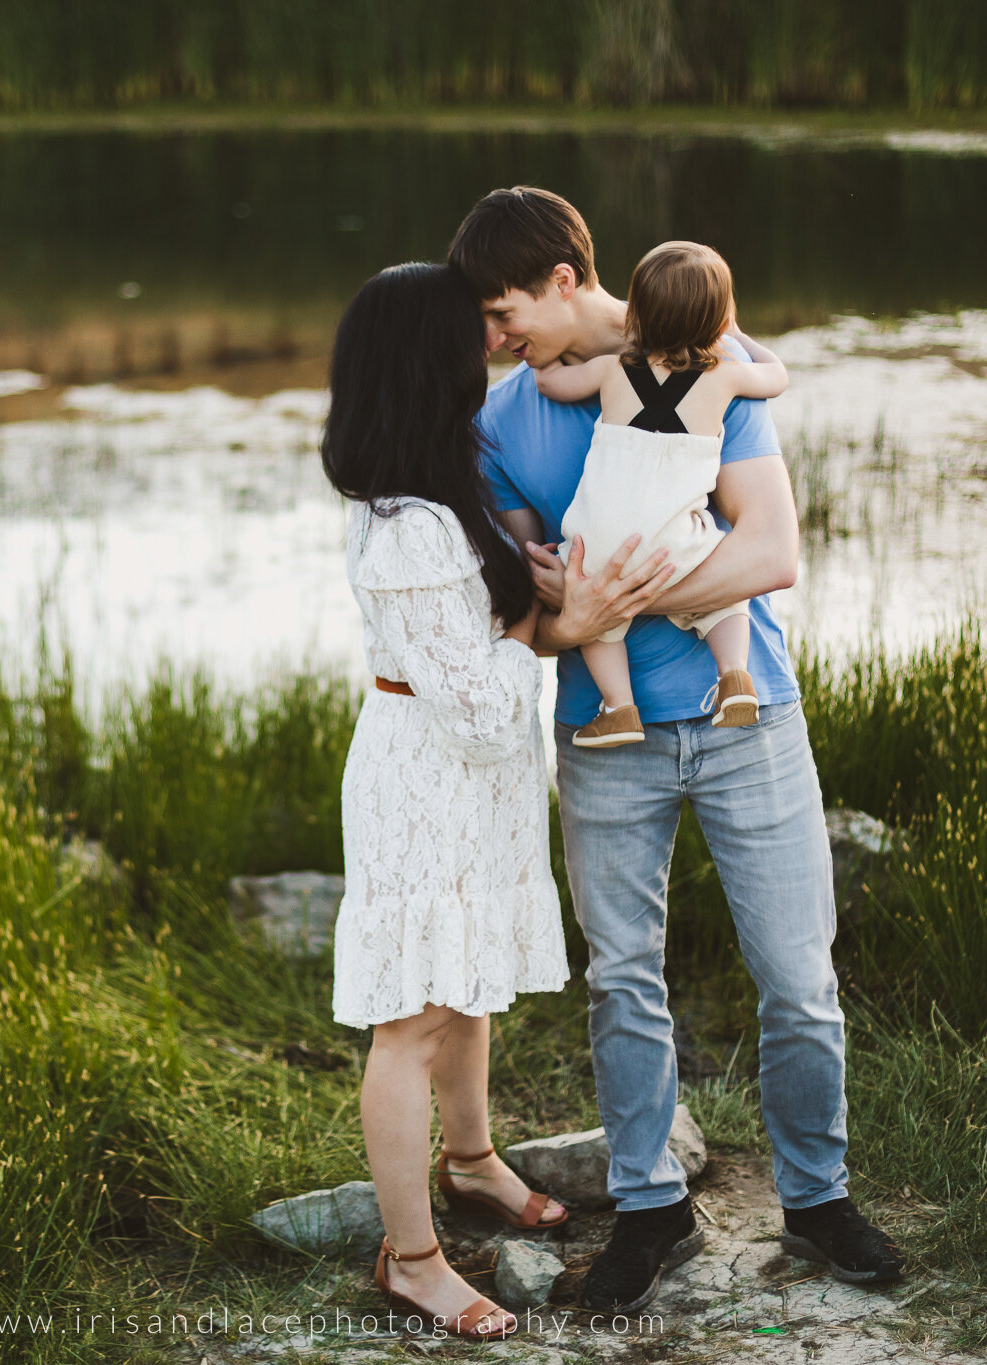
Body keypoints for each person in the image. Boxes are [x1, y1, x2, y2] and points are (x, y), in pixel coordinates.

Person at [448, 187, 906, 1310]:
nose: (496, 339)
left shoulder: (708, 355)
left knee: (797, 978)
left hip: (746, 717)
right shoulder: (500, 425)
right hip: (603, 738)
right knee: (622, 983)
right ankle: (650, 1210)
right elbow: (536, 609)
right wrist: (569, 606)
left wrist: (620, 599)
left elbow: (769, 553)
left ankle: (816, 1198)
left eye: (505, 314)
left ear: (565, 280)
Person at [321, 261, 574, 1341]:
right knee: (412, 1018)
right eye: (468, 333)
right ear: (429, 360)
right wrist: (535, 623)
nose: (485, 347)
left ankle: (469, 1162)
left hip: (468, 778)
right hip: (427, 774)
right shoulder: (407, 525)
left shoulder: (440, 483)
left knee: (466, 980)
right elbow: (474, 707)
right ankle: (412, 1260)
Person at [533, 240, 789, 747]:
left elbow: (552, 385)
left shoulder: (611, 369)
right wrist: (739, 337)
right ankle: (734, 675)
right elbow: (777, 376)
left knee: (600, 622)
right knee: (726, 600)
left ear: (637, 315)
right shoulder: (727, 375)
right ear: (716, 321)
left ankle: (619, 707)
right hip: (675, 541)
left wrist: (544, 359)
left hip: (601, 543)